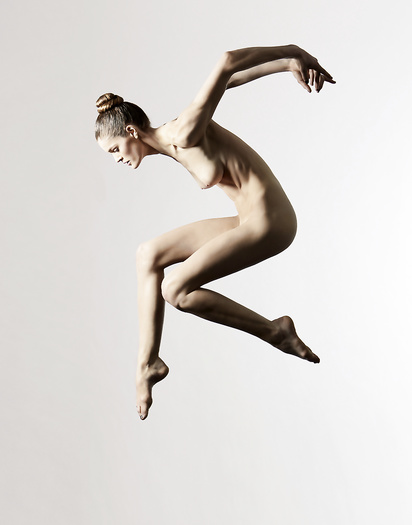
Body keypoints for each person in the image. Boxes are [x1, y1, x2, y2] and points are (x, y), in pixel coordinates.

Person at [95, 44, 335, 420]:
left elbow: (227, 63)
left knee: (175, 290)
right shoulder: (173, 140)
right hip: (247, 219)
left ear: (130, 131)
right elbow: (230, 82)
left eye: (114, 149)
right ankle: (147, 364)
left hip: (272, 221)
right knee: (148, 255)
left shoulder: (184, 131)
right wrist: (285, 65)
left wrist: (295, 53)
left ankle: (274, 332)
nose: (117, 159)